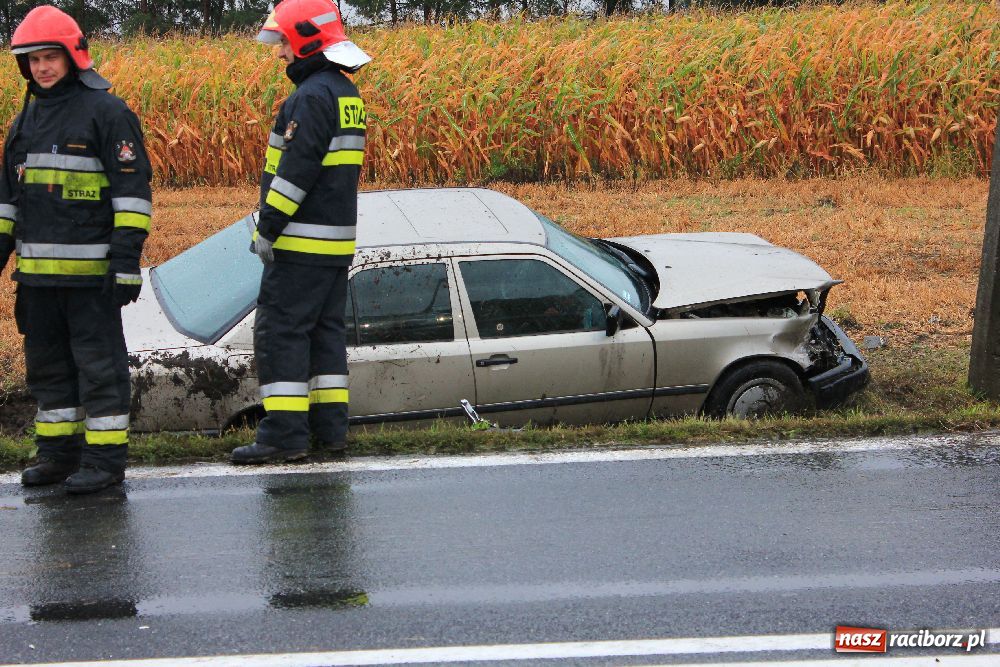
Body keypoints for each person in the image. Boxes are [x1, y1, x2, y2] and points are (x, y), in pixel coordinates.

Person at [0, 6, 152, 494]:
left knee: (99, 371)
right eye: (33, 59)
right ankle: (57, 455)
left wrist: (125, 263)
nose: (42, 67)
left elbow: (132, 198)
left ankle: (104, 461)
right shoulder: (24, 121)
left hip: (92, 281)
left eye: (50, 57)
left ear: (73, 56)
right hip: (37, 283)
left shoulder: (108, 113)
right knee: (49, 374)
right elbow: (8, 202)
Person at [231, 0, 370, 464]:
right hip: (334, 244)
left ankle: (283, 436)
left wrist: (267, 229)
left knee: (280, 332)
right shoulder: (346, 94)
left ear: (308, 41)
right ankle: (330, 431)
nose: (280, 53)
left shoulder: (310, 98)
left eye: (285, 43)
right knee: (325, 336)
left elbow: (294, 175)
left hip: (300, 244)